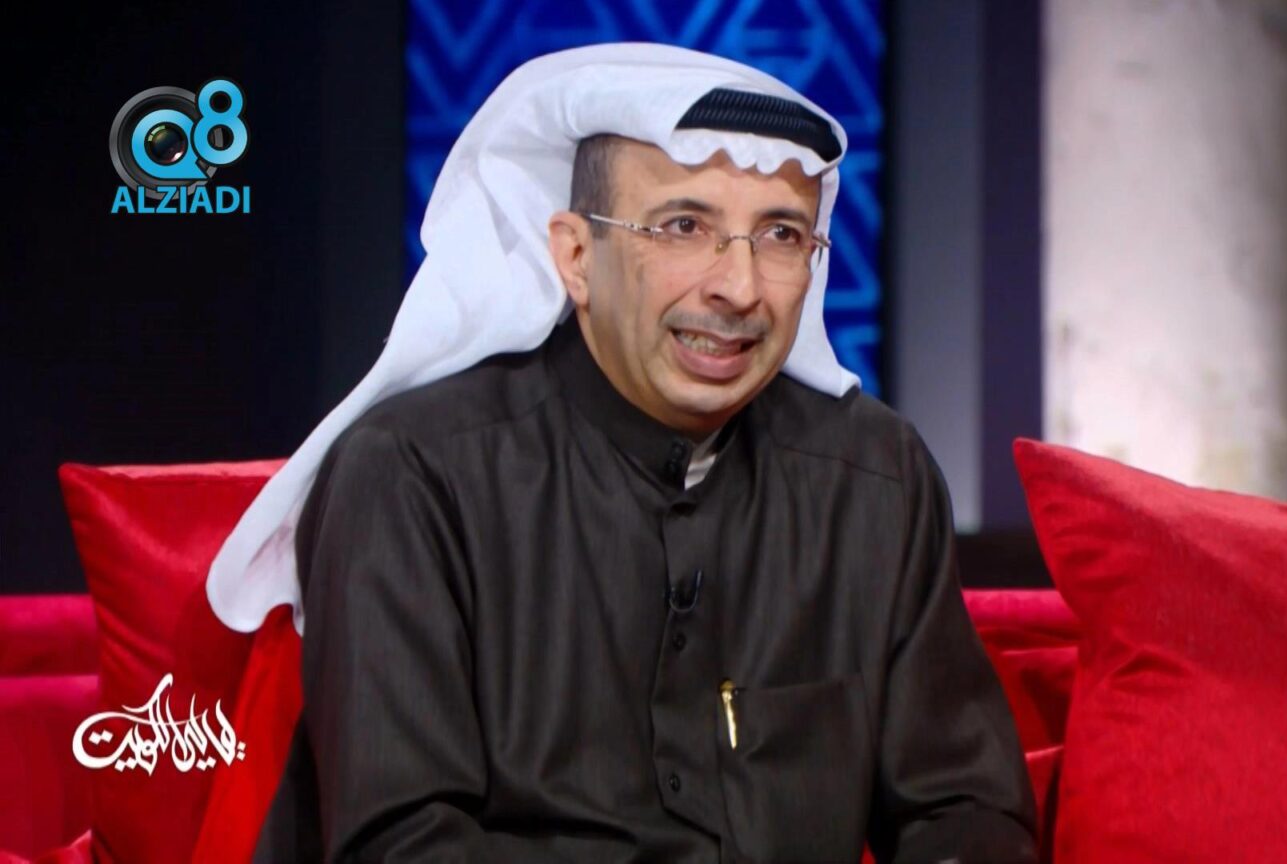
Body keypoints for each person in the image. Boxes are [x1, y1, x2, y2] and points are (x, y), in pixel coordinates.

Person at [235, 43, 1038, 863]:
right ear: (576, 256)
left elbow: (962, 804)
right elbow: (402, 843)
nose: (738, 287)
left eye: (781, 235)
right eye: (684, 227)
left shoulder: (875, 478)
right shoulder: (412, 476)